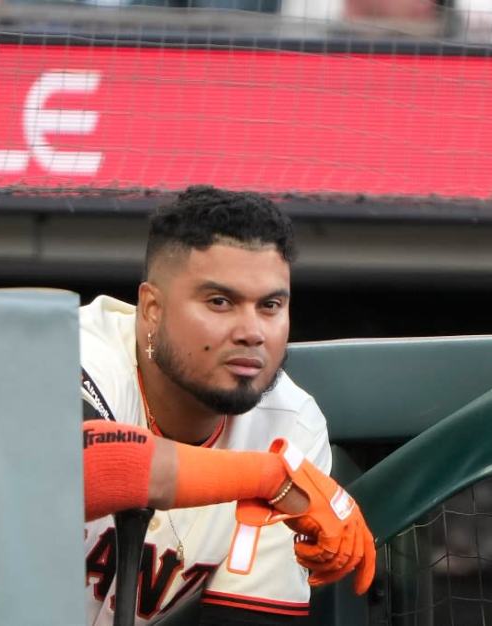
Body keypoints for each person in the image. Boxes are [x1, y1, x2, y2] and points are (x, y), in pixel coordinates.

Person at [81, 185, 374, 625]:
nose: (252, 332)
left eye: (270, 305)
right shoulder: (80, 352)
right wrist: (269, 477)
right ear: (152, 308)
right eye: (220, 302)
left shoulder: (291, 425)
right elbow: (78, 468)